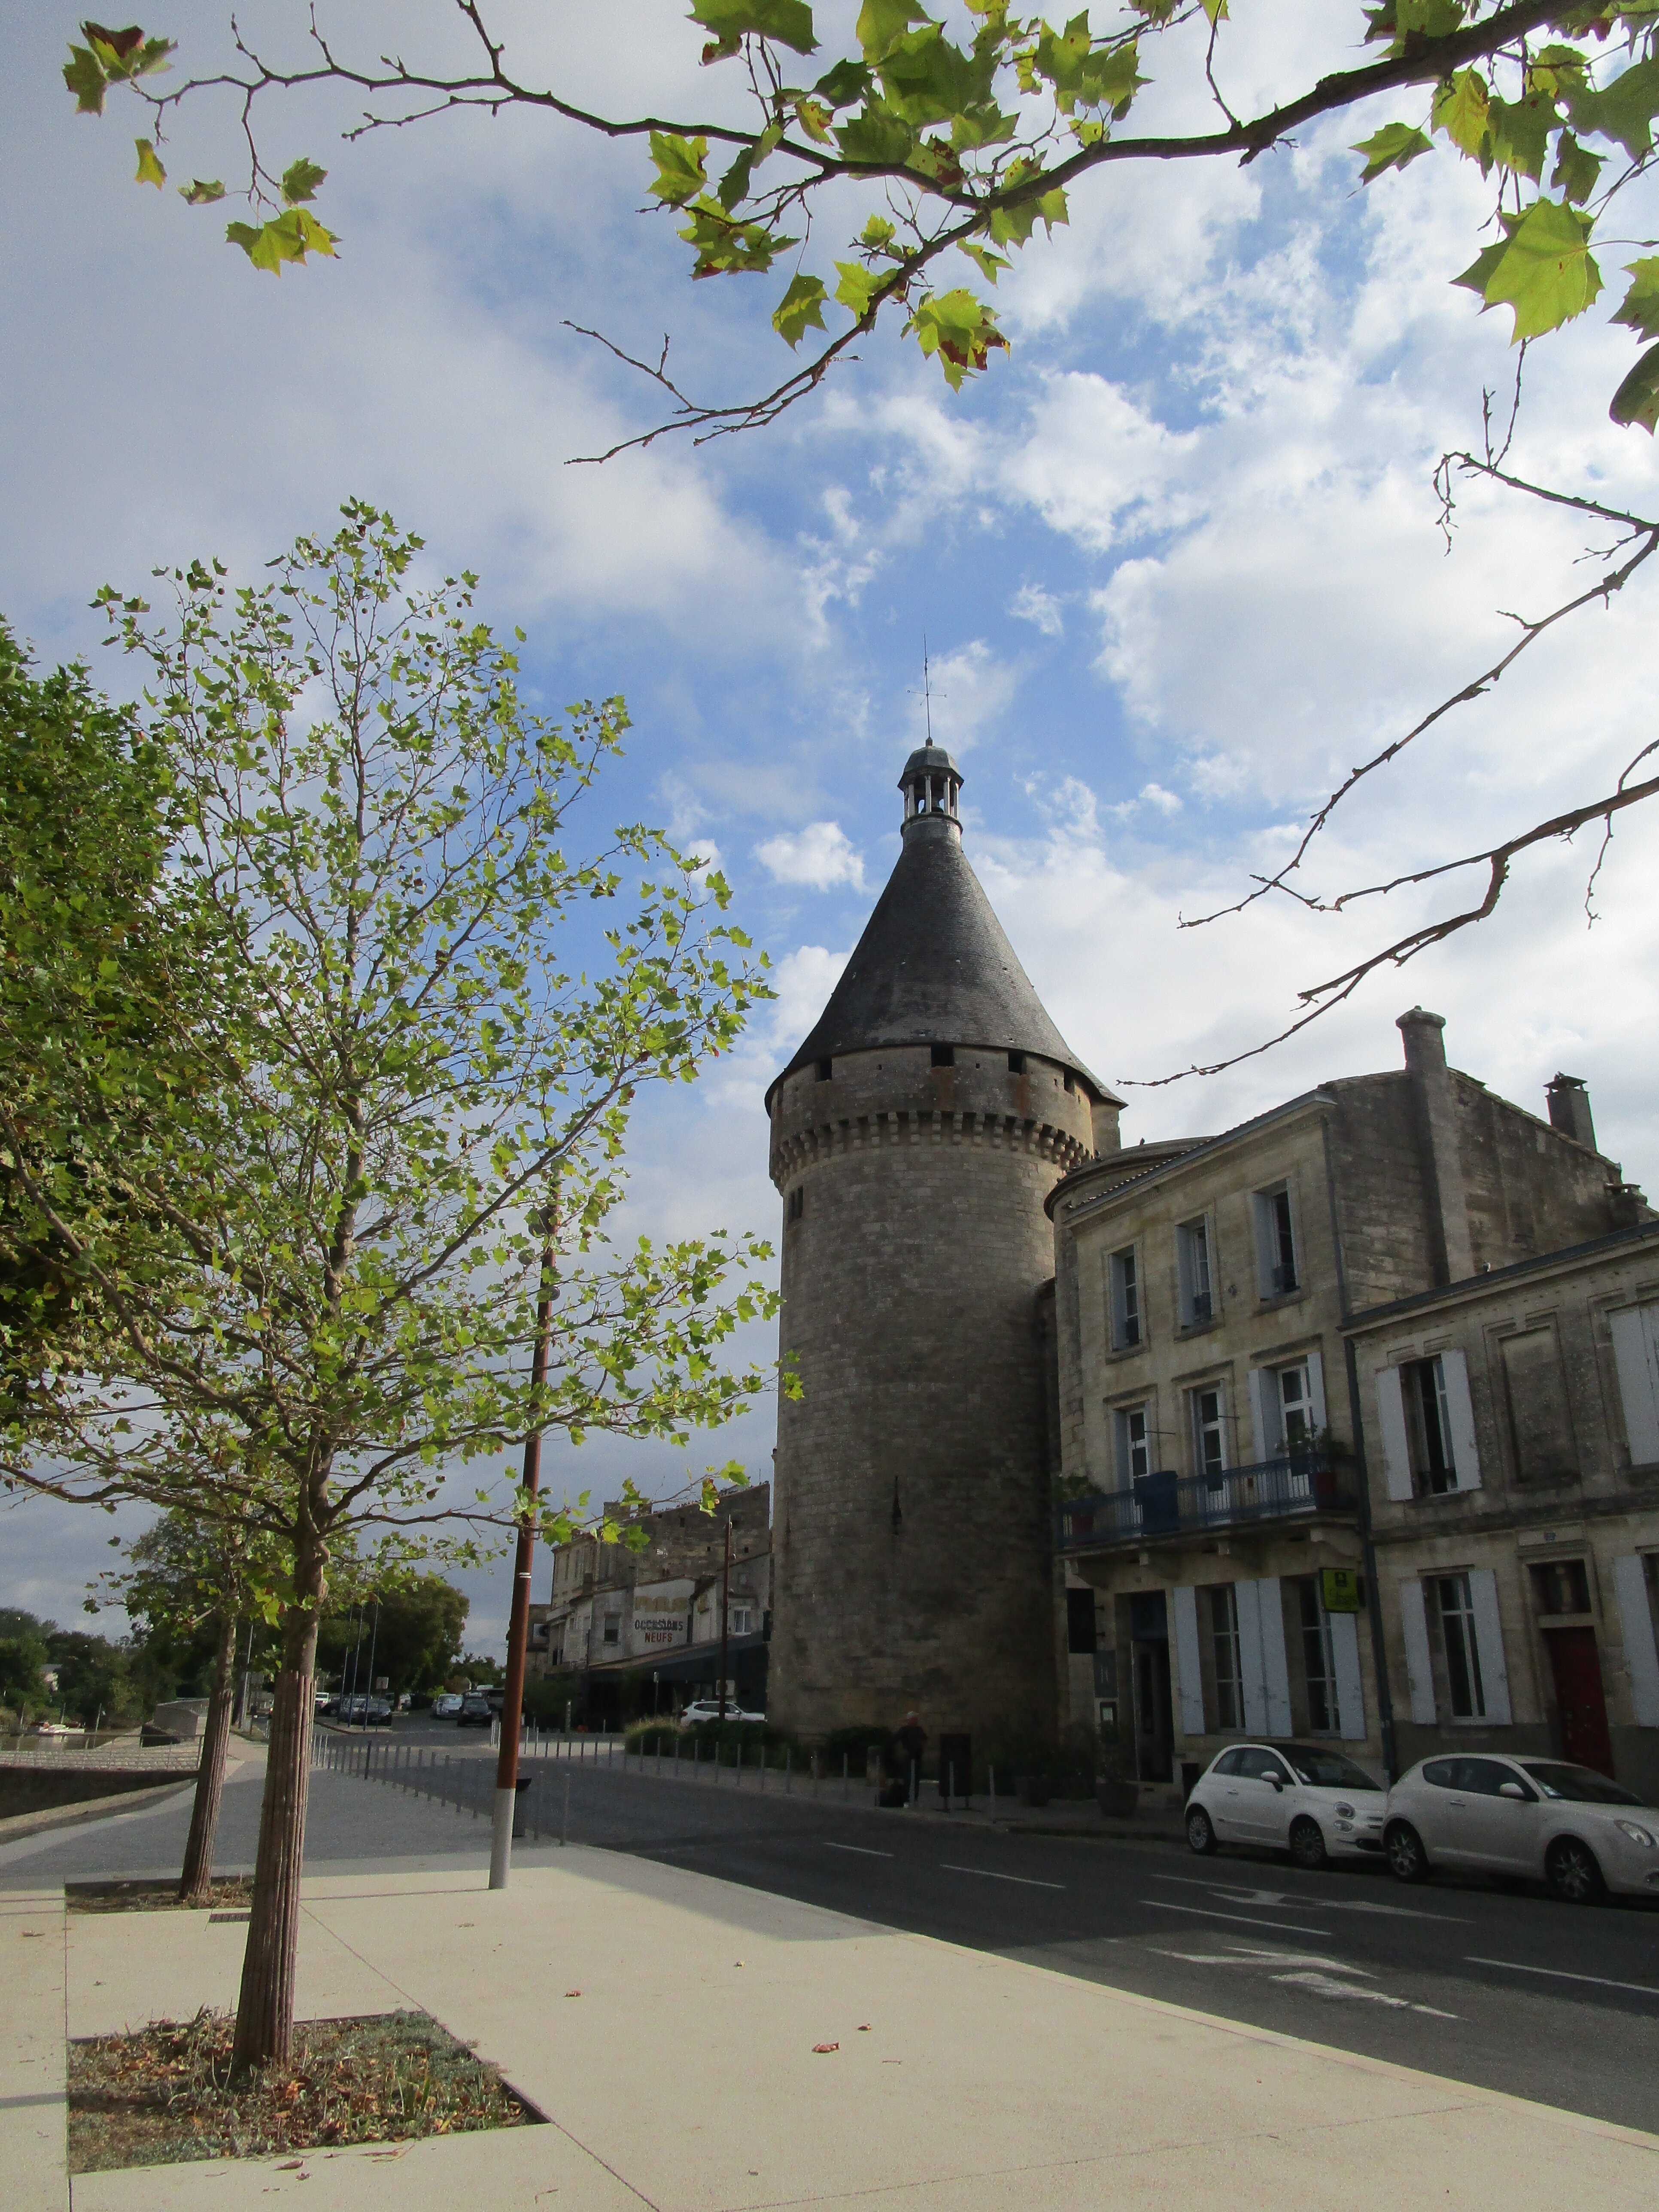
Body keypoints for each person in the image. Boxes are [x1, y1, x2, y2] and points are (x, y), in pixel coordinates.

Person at [894, 1711, 927, 1805]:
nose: (915, 1721)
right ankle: (906, 1799)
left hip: (918, 1758)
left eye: (916, 1720)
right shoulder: (904, 1730)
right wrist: (903, 1751)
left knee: (916, 1780)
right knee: (908, 1780)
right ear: (909, 1720)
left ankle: (915, 1798)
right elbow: (896, 1740)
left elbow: (925, 1740)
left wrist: (923, 1750)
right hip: (909, 1758)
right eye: (913, 1720)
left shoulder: (919, 1730)